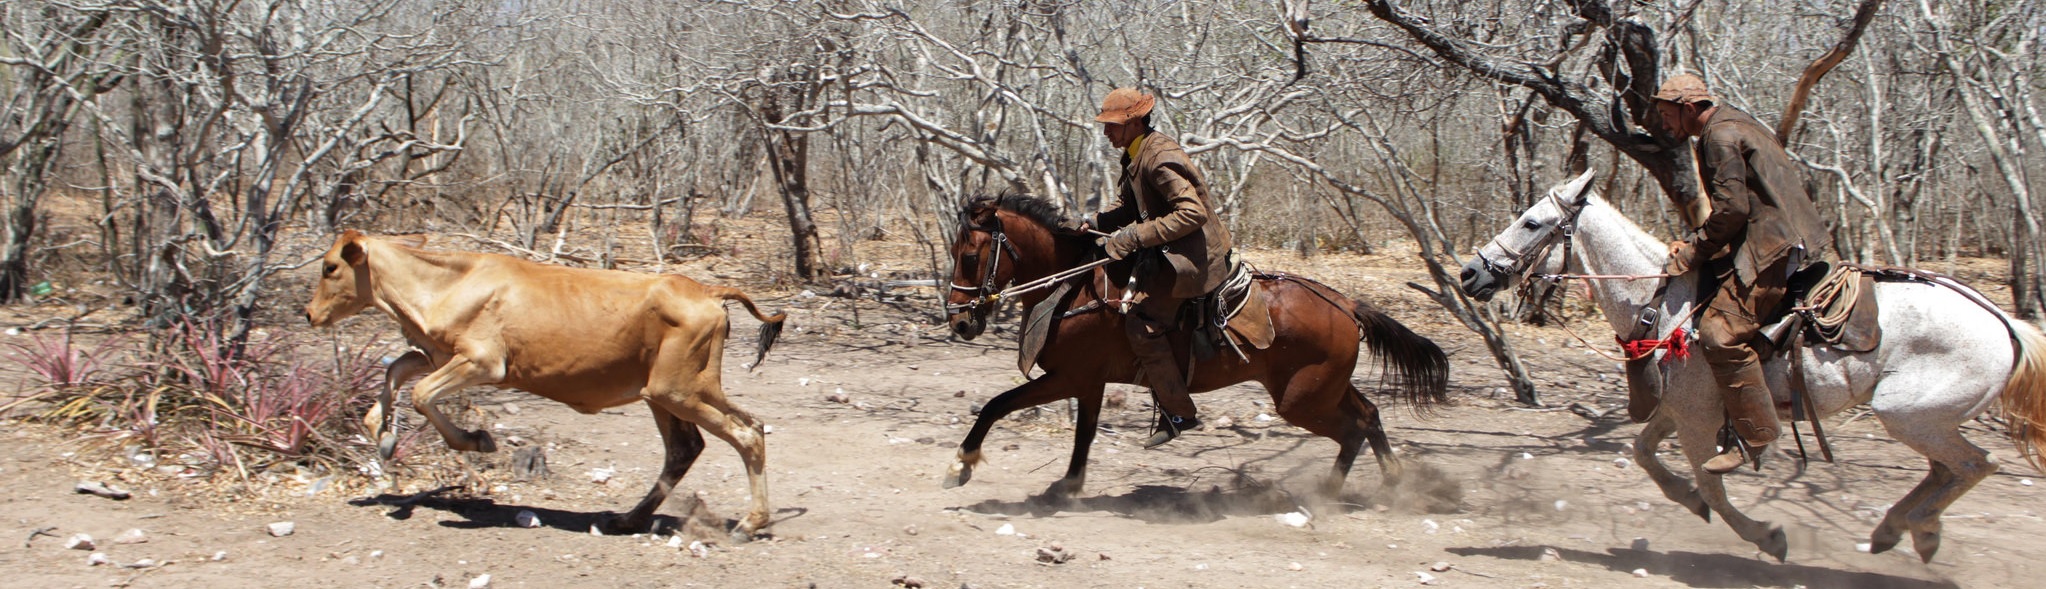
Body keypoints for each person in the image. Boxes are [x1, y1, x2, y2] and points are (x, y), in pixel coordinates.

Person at [1652, 74, 1829, 474]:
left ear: (1688, 107)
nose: (1664, 124)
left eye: (1667, 115)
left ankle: (1755, 435)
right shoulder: (1738, 122)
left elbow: (1732, 210)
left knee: (1719, 333)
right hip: (1788, 235)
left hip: (1773, 247)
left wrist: (1694, 251)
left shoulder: (1718, 136)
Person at [1080, 87, 1237, 448]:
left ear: (1134, 123)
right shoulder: (1136, 151)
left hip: (1194, 256)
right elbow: (1130, 204)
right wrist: (1094, 220)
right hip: (1167, 247)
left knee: (1140, 324)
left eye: (1113, 126)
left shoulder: (1159, 157)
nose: (1106, 133)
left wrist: (1134, 236)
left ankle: (1179, 411)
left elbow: (1192, 212)